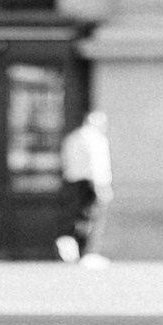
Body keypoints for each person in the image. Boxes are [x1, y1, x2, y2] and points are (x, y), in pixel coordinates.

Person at [55, 105, 112, 265]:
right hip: (91, 183)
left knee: (77, 216)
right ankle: (87, 252)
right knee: (91, 219)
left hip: (72, 181)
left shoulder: (72, 138)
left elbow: (65, 161)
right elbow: (96, 164)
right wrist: (101, 186)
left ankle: (71, 245)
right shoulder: (95, 139)